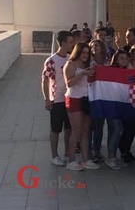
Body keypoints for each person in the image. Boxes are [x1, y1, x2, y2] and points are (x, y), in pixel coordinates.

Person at [63, 42, 99, 171]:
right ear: (77, 52)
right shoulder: (70, 64)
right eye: (83, 52)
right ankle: (71, 160)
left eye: (87, 53)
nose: (85, 55)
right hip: (73, 98)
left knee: (85, 131)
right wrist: (83, 74)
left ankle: (85, 160)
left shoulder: (90, 64)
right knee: (76, 131)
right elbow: (69, 83)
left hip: (86, 99)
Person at [41, 30, 74, 166]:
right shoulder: (51, 61)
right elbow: (45, 80)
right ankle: (54, 156)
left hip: (69, 97)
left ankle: (67, 153)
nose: (72, 44)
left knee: (69, 128)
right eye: (70, 42)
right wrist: (47, 99)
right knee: (55, 129)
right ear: (63, 43)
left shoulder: (70, 58)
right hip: (56, 99)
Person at [105, 50, 130, 170]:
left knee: (114, 130)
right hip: (111, 105)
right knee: (117, 129)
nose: (124, 60)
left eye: (126, 58)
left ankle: (113, 156)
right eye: (121, 58)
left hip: (122, 106)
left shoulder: (127, 71)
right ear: (115, 59)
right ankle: (111, 156)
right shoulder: (110, 71)